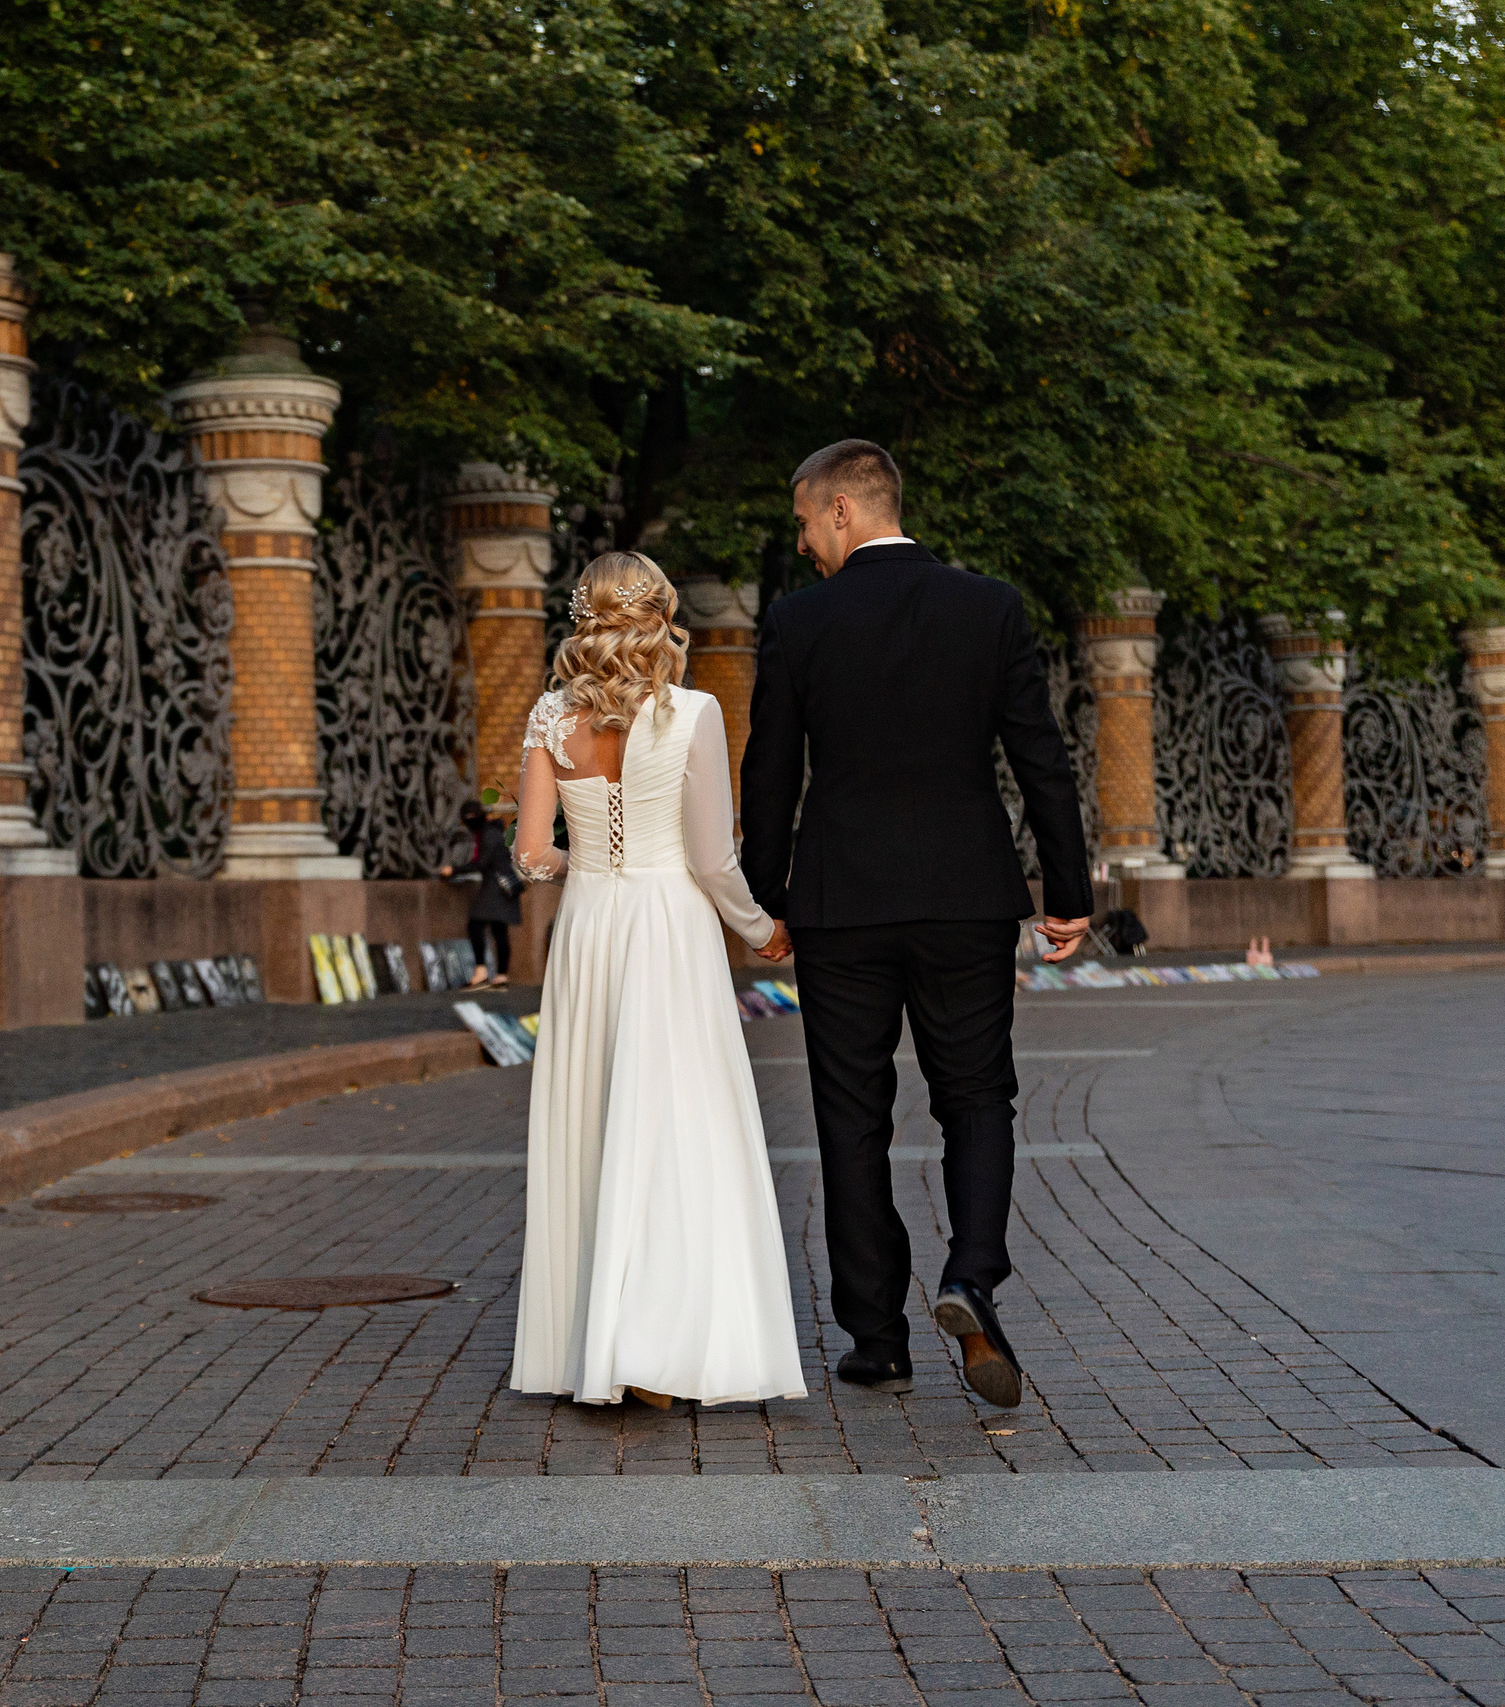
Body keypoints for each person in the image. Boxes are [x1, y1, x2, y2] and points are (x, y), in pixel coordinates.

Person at [739, 439, 1092, 1409]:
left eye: (807, 522)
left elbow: (769, 772)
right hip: (965, 893)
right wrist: (1067, 892)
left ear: (844, 511)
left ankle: (875, 1340)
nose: (805, 542)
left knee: (851, 1119)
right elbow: (1040, 758)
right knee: (976, 1097)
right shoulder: (988, 608)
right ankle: (969, 1275)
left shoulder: (801, 621)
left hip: (842, 902)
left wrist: (763, 899)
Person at [508, 551, 807, 1409]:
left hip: (592, 924)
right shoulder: (695, 713)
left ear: (586, 616)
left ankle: (593, 1344)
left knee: (593, 1120)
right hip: (670, 925)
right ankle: (658, 1343)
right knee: (680, 1125)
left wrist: (586, 859)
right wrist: (761, 928)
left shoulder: (549, 714)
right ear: (661, 615)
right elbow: (713, 858)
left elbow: (531, 855)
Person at [437, 801, 520, 986]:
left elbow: (482, 863)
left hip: (497, 888)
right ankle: (500, 975)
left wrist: (454, 870)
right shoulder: (489, 832)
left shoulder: (488, 835)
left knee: (477, 925)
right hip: (500, 888)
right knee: (498, 930)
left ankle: (485, 970)